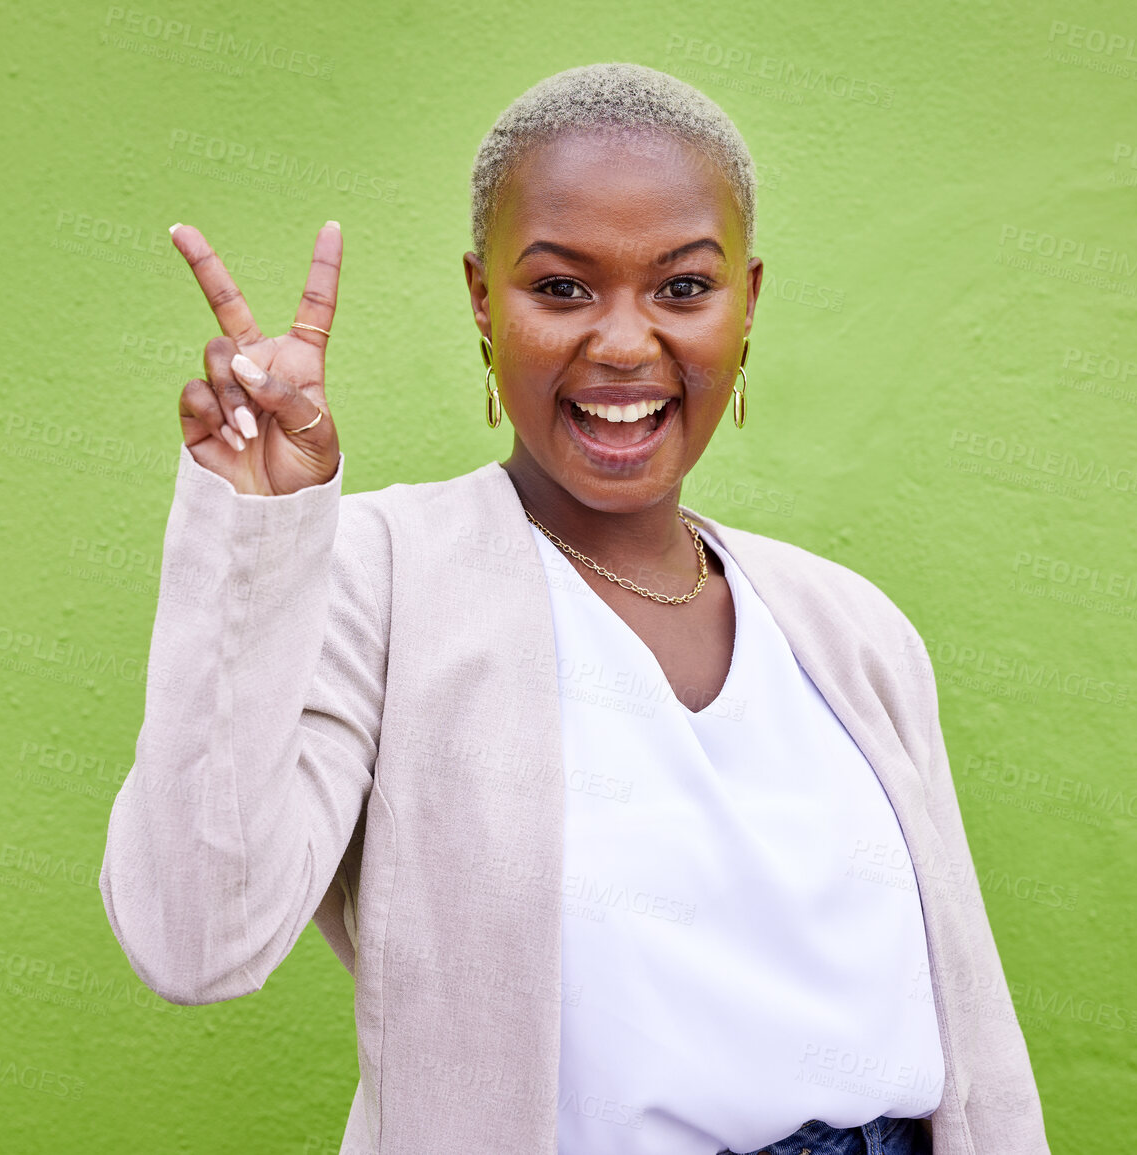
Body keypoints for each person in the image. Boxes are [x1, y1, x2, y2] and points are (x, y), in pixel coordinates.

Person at [99, 62, 1051, 1155]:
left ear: (747, 305)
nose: (624, 343)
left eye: (683, 288)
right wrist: (259, 536)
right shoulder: (381, 577)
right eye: (561, 288)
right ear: (480, 301)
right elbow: (195, 938)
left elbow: (976, 1047)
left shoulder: (852, 628)